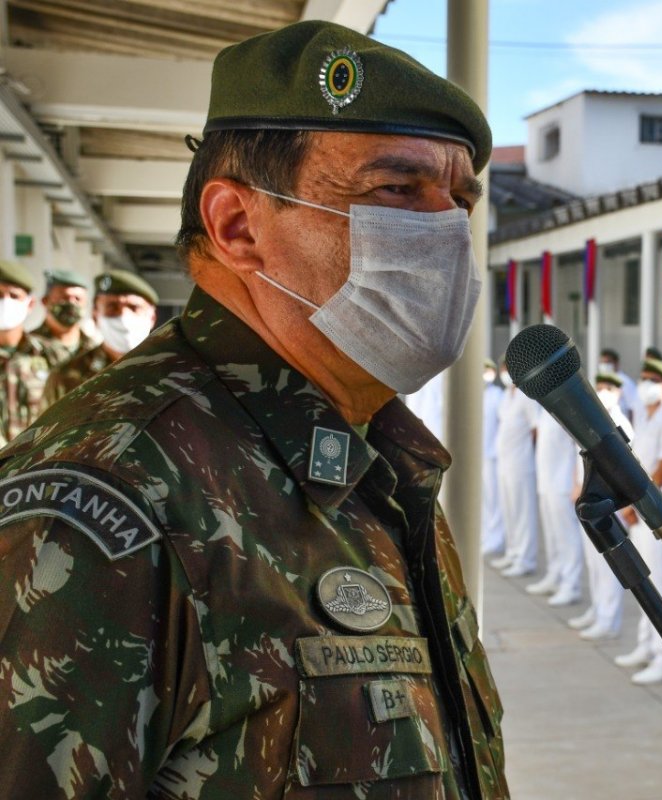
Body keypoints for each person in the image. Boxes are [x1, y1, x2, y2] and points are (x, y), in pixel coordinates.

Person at [0, 21, 508, 798]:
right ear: (238, 226)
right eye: (396, 190)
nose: (445, 228)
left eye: (460, 199)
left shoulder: (381, 463)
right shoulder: (106, 499)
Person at [614, 358, 662, 685]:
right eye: (642, 378)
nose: (645, 384)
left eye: (652, 379)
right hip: (640, 508)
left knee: (661, 585)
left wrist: (637, 505)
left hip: (656, 512)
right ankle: (647, 645)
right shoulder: (647, 415)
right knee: (645, 582)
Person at [568, 372, 632, 641]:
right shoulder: (591, 418)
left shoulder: (618, 421)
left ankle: (609, 619)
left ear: (619, 392)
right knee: (594, 562)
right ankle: (597, 610)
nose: (603, 391)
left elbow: (625, 467)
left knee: (608, 564)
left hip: (608, 503)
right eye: (600, 387)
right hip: (590, 498)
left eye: (609, 388)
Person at [46, 270, 160, 402]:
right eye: (112, 307)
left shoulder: (172, 371)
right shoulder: (65, 378)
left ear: (152, 317)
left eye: (134, 307)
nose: (123, 316)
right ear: (95, 316)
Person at [526, 405, 585, 606]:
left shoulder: (565, 408)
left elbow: (579, 446)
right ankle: (555, 575)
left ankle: (571, 585)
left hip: (563, 483)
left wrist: (578, 482)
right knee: (552, 534)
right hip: (546, 481)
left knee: (567, 536)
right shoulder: (543, 409)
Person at [495, 357, 541, 577]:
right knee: (510, 510)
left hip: (522, 464)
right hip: (505, 461)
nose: (504, 372)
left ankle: (526, 559)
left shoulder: (526, 396)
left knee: (523, 513)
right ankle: (513, 553)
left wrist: (529, 454)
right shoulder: (507, 395)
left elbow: (535, 430)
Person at [0, 260, 53, 447]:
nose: (5, 302)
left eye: (14, 296)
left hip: (34, 467)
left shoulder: (49, 355)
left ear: (30, 304)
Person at [30, 268, 101, 367]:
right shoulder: (29, 347)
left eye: (77, 299)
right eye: (64, 297)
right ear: (45, 301)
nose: (71, 303)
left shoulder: (94, 349)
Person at [482, 358, 506, 556]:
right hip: (480, 454)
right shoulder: (477, 395)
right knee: (482, 499)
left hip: (493, 454)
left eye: (488, 370)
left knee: (494, 500)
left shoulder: (497, 394)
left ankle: (496, 538)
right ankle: (485, 535)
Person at [599, 347, 641, 419]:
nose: (605, 365)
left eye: (608, 362)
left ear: (616, 363)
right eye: (602, 362)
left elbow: (632, 408)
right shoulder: (601, 380)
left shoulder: (625, 382)